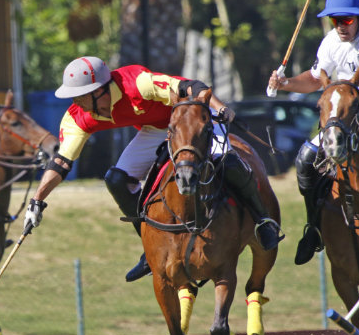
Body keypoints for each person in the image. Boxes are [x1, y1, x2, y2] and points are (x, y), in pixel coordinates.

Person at [23, 56, 281, 282]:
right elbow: (61, 162)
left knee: (227, 159)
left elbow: (193, 86)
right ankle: (150, 249)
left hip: (190, 118)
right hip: (156, 129)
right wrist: (37, 201)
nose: (75, 101)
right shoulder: (77, 117)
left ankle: (263, 221)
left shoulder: (138, 83)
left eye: (79, 95)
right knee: (116, 179)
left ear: (100, 90)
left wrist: (219, 107)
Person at [268, 0, 359, 265]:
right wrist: (286, 84)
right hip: (355, 115)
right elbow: (317, 79)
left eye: (347, 20)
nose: (341, 26)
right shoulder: (331, 42)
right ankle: (315, 228)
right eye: (335, 20)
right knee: (306, 158)